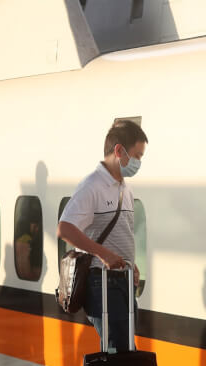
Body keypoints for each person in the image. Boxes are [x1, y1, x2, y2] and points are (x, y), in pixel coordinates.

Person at [57, 120, 148, 351]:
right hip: (101, 282)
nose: (138, 162)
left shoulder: (125, 189)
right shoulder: (92, 186)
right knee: (119, 352)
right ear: (119, 151)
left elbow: (122, 232)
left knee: (124, 350)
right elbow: (65, 228)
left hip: (123, 281)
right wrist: (104, 254)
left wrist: (130, 264)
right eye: (137, 155)